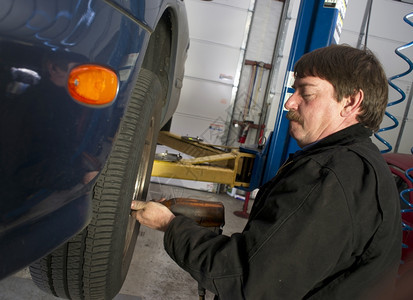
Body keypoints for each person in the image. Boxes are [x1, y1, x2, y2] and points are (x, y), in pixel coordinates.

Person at [131, 44, 402, 299]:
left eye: (305, 93)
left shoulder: (329, 175)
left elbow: (244, 278)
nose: (290, 103)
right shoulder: (359, 166)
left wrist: (169, 225)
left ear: (351, 102)